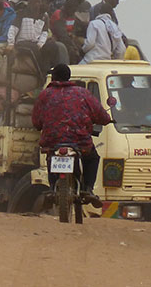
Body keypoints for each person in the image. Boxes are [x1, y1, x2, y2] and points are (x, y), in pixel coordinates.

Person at [32, 64, 111, 204]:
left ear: (54, 77)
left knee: (51, 156)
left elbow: (36, 121)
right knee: (92, 158)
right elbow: (100, 114)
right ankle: (88, 188)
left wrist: (42, 126)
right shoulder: (82, 93)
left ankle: (52, 187)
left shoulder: (45, 94)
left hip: (52, 140)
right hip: (79, 140)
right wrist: (106, 120)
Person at [6, 0, 59, 77]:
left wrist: (40, 44)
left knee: (53, 46)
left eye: (38, 2)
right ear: (29, 2)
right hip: (22, 42)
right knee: (35, 50)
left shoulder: (44, 17)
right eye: (34, 2)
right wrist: (11, 43)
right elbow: (13, 29)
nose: (36, 4)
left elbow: (44, 33)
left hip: (36, 43)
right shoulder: (21, 14)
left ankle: (54, 72)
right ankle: (41, 75)